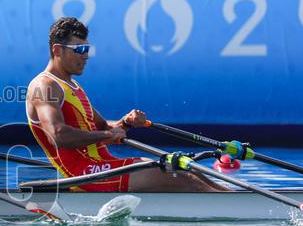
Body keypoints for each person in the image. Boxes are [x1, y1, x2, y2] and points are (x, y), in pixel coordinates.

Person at [26, 17, 223, 192]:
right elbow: (58, 135)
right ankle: (235, 209)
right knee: (182, 178)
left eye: (87, 49)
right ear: (57, 50)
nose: (86, 55)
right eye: (79, 49)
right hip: (83, 173)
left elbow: (104, 127)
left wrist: (126, 122)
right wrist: (107, 135)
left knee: (181, 167)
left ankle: (232, 196)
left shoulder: (72, 86)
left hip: (103, 164)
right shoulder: (44, 86)